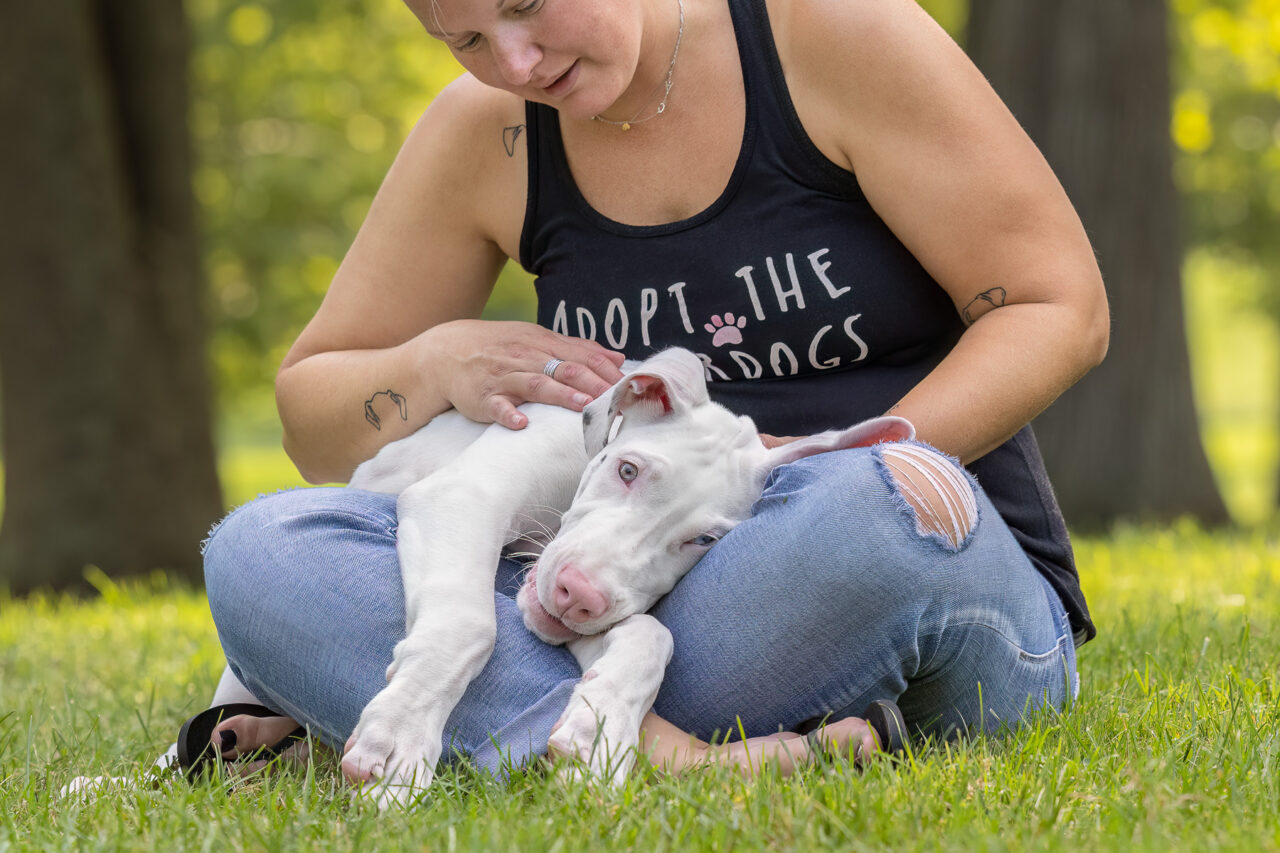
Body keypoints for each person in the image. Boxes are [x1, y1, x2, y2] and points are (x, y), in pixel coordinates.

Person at [199, 0, 1109, 780]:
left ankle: (527, 715)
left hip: (872, 557)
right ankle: (659, 747)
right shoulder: (490, 131)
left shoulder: (830, 33)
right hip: (633, 606)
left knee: (871, 507)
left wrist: (842, 455)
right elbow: (314, 423)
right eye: (463, 37)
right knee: (261, 551)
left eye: (526, 2)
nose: (514, 62)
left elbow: (1057, 305)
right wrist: (434, 362)